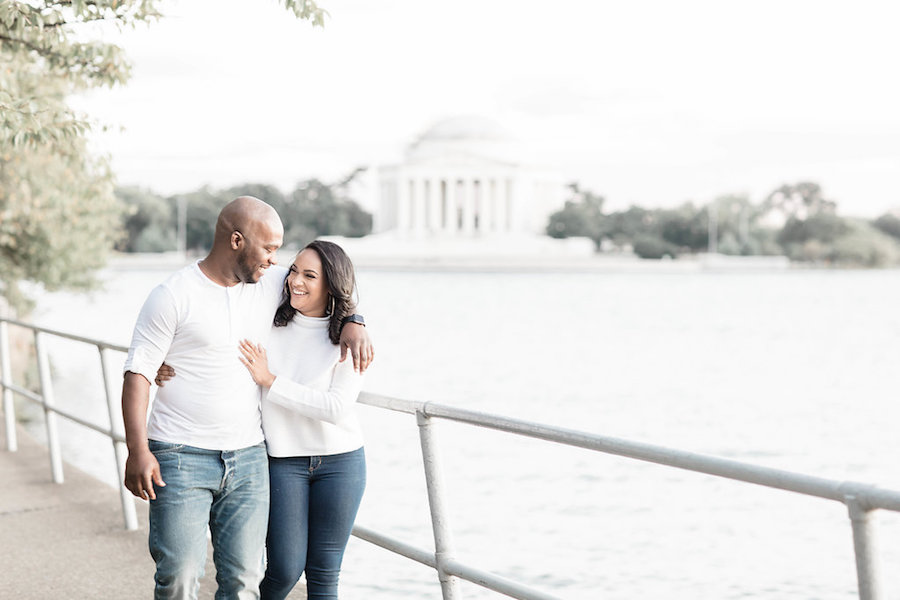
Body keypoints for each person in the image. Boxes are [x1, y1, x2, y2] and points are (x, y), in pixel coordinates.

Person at [121, 196, 373, 600]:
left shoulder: (268, 284)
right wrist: (137, 450)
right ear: (237, 240)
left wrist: (355, 320)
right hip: (181, 453)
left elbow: (327, 283)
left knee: (243, 583)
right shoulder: (172, 294)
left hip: (249, 456)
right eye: (270, 248)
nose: (277, 263)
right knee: (180, 576)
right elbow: (138, 371)